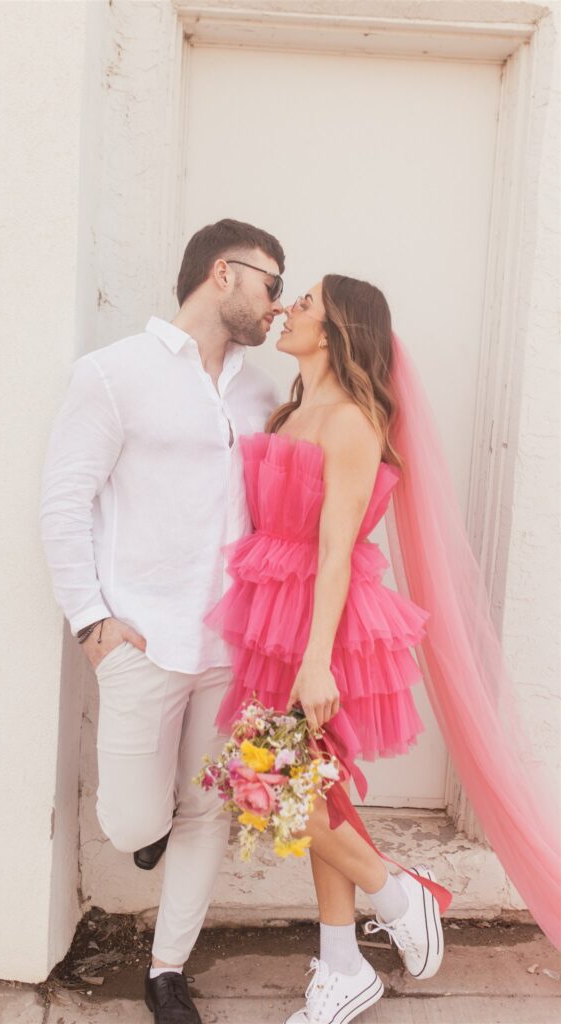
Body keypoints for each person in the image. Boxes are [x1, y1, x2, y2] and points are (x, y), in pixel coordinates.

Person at [205, 274, 561, 1024]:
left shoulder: (352, 421)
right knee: (309, 789)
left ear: (336, 332)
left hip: (321, 623)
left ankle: (400, 894)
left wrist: (315, 658)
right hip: (271, 609)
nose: (288, 309)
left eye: (303, 303)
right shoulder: (292, 409)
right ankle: (344, 964)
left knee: (274, 787)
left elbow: (335, 549)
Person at [40, 218, 285, 1024]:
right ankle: (145, 830)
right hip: (141, 638)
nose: (277, 306)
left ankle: (166, 971)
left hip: (229, 642)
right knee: (131, 820)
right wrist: (91, 623)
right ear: (223, 273)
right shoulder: (113, 374)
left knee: (206, 809)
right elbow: (65, 501)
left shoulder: (259, 391)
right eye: (270, 284)